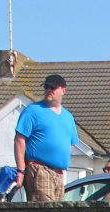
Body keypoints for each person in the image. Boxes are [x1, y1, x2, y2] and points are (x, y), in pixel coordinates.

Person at [14, 74, 80, 203]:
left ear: (63, 90)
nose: (48, 90)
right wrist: (21, 170)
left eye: (52, 88)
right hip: (39, 169)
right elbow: (19, 140)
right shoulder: (33, 111)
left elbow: (71, 144)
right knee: (46, 210)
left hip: (59, 173)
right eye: (46, 87)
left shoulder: (68, 116)